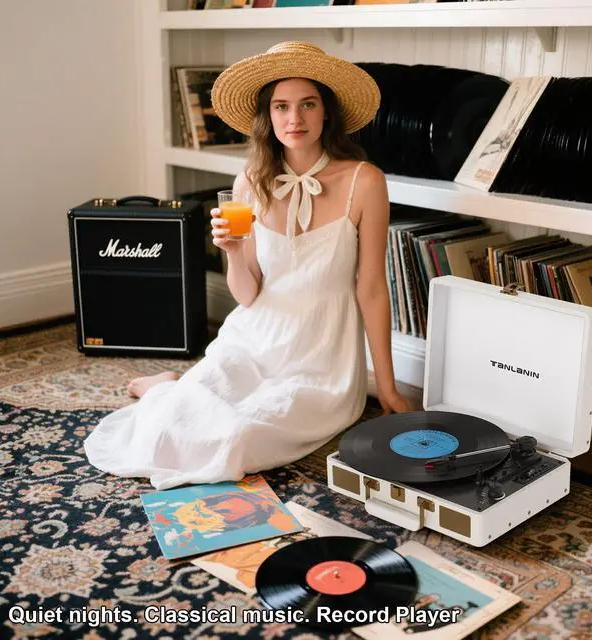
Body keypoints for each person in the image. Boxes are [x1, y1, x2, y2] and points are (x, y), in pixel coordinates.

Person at [84, 41, 418, 490]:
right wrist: (232, 251)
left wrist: (389, 389)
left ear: (326, 113)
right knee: (163, 432)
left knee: (235, 440)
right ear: (268, 115)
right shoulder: (249, 182)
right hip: (252, 340)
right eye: (281, 106)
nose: (294, 118)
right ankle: (167, 390)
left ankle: (169, 390)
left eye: (308, 104)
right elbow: (248, 294)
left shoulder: (364, 180)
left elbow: (372, 289)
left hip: (320, 360)